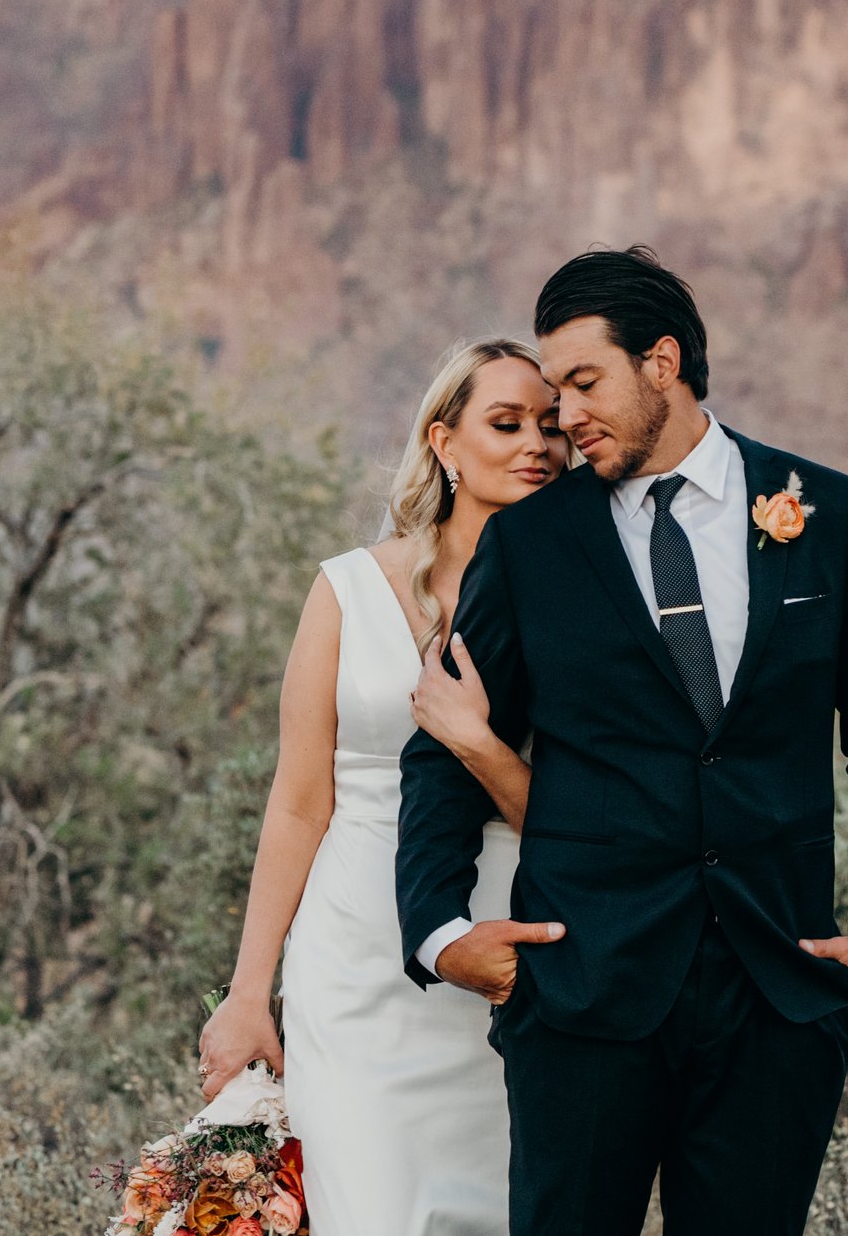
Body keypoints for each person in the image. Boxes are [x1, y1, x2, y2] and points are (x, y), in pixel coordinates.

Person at [397, 247, 848, 1236]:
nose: (563, 414)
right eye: (552, 388)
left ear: (661, 361)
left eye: (581, 381)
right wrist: (440, 931)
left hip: (779, 996)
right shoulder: (528, 542)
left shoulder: (827, 511)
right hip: (579, 993)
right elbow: (442, 737)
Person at [200, 338, 569, 1235]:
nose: (538, 445)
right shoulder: (347, 590)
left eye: (554, 428)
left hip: (510, 954)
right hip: (354, 962)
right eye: (508, 422)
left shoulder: (576, 608)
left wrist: (477, 741)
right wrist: (249, 995)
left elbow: (579, 814)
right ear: (444, 442)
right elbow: (297, 801)